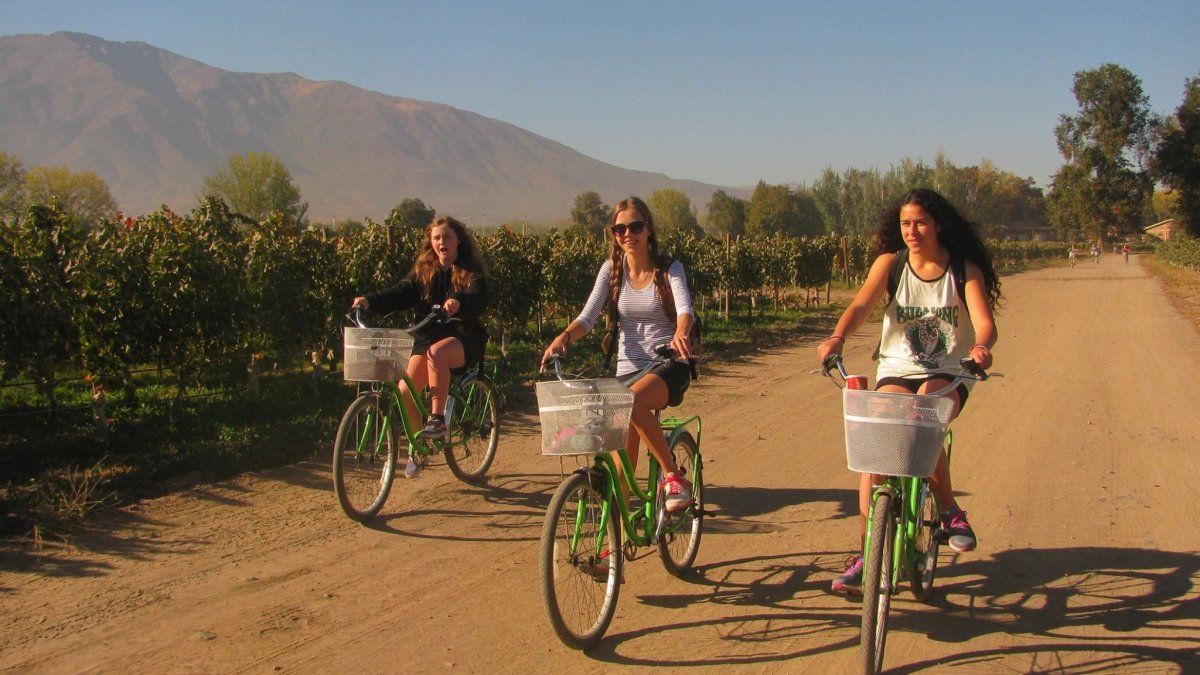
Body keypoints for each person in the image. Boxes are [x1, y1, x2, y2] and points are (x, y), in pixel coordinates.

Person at [817, 188, 1000, 595]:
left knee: (924, 411)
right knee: (877, 444)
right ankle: (868, 552)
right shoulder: (891, 264)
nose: (912, 231)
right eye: (905, 223)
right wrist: (837, 337)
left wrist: (980, 348)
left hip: (949, 369)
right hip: (897, 367)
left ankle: (949, 509)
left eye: (920, 223)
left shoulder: (962, 270)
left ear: (938, 225)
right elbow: (860, 306)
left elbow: (984, 321)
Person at [540, 196, 696, 512]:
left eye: (635, 227)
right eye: (619, 229)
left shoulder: (669, 268)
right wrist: (564, 337)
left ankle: (673, 476)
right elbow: (588, 317)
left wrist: (681, 332)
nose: (627, 234)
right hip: (627, 372)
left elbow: (685, 309)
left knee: (631, 402)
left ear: (648, 229)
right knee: (620, 471)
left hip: (668, 364)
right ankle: (616, 540)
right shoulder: (611, 269)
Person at [351, 215, 488, 478]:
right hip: (427, 336)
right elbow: (401, 293)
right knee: (405, 391)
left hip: (463, 335)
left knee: (437, 354)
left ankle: (438, 420)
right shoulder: (425, 271)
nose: (441, 241)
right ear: (431, 241)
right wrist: (369, 301)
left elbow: (478, 299)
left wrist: (458, 302)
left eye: (447, 236)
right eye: (436, 237)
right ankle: (419, 448)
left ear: (458, 240)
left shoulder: (471, 272)